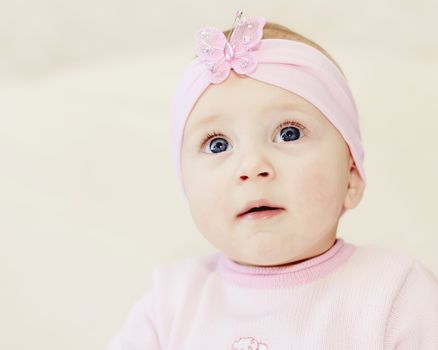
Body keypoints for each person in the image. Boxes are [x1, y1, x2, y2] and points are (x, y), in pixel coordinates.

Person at [106, 12, 438, 349]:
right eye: (218, 144)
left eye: (289, 133)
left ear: (351, 176)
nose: (252, 166)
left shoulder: (394, 292)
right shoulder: (169, 306)